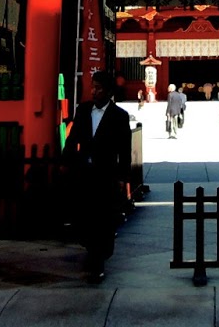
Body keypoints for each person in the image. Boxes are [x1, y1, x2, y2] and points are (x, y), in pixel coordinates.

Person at [62, 69, 132, 281]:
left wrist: (123, 177)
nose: (93, 91)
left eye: (98, 88)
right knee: (85, 214)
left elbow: (125, 149)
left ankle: (98, 259)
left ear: (109, 91)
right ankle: (92, 249)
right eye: (92, 87)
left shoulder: (119, 116)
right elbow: (73, 139)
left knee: (103, 217)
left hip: (106, 172)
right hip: (85, 171)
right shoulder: (83, 110)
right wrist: (66, 161)